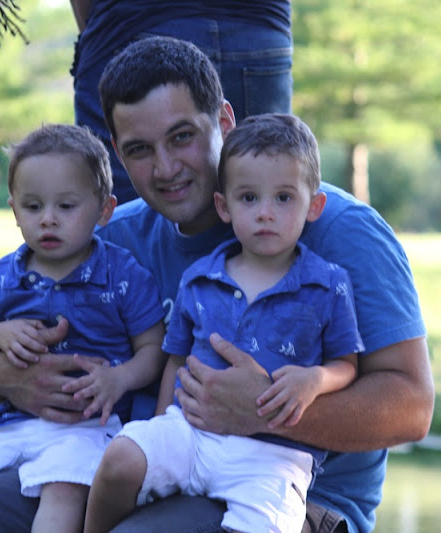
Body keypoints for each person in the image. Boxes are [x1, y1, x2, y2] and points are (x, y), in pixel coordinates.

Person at [0, 36, 434, 533]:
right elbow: (24, 346)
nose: (166, 167)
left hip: (286, 496)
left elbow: (413, 407)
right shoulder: (111, 240)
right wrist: (6, 375)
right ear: (117, 152)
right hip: (106, 471)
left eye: (183, 137)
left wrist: (262, 409)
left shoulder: (338, 231)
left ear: (224, 121)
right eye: (140, 150)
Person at [84, 113, 364, 533]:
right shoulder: (200, 278)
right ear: (224, 206)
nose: (265, 213)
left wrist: (315, 380)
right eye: (249, 198)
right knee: (121, 458)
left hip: (272, 457)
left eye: (283, 198)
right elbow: (176, 361)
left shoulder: (327, 286)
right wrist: (161, 426)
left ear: (314, 206)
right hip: (191, 433)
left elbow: (346, 364)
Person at [0, 124, 166, 533]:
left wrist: (119, 379)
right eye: (32, 206)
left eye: (66, 206)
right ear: (14, 209)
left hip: (87, 428)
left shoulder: (121, 275)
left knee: (64, 488)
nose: (48, 220)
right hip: (10, 422)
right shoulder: (1, 279)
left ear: (104, 210)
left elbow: (154, 348)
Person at [69, 0, 293, 204]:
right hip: (262, 30)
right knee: (271, 203)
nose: (166, 170)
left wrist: (99, 30)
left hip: (130, 20)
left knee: (123, 223)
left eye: (181, 136)